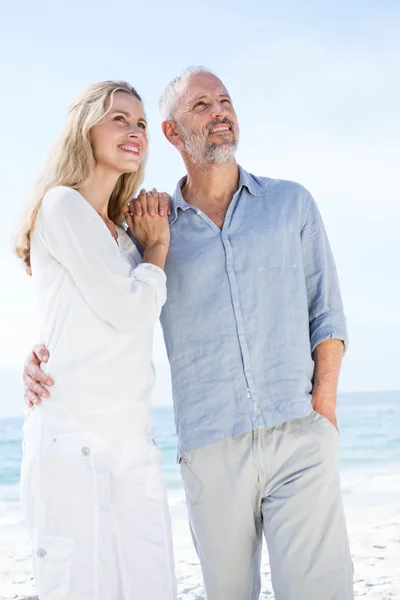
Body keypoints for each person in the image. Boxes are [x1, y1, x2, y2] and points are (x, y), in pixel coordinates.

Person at [24, 67, 353, 600]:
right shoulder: (149, 228)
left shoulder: (292, 204)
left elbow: (327, 313)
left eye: (225, 101)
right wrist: (39, 354)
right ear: (174, 134)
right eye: (201, 106)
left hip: (297, 432)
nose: (220, 112)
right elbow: (94, 298)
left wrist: (324, 412)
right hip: (209, 446)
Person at [15, 80, 177, 600]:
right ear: (85, 129)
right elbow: (129, 311)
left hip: (133, 440)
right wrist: (157, 252)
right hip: (71, 440)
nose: (135, 132)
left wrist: (145, 247)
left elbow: (81, 319)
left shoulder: (123, 236)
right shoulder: (62, 206)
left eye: (142, 124)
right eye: (119, 119)